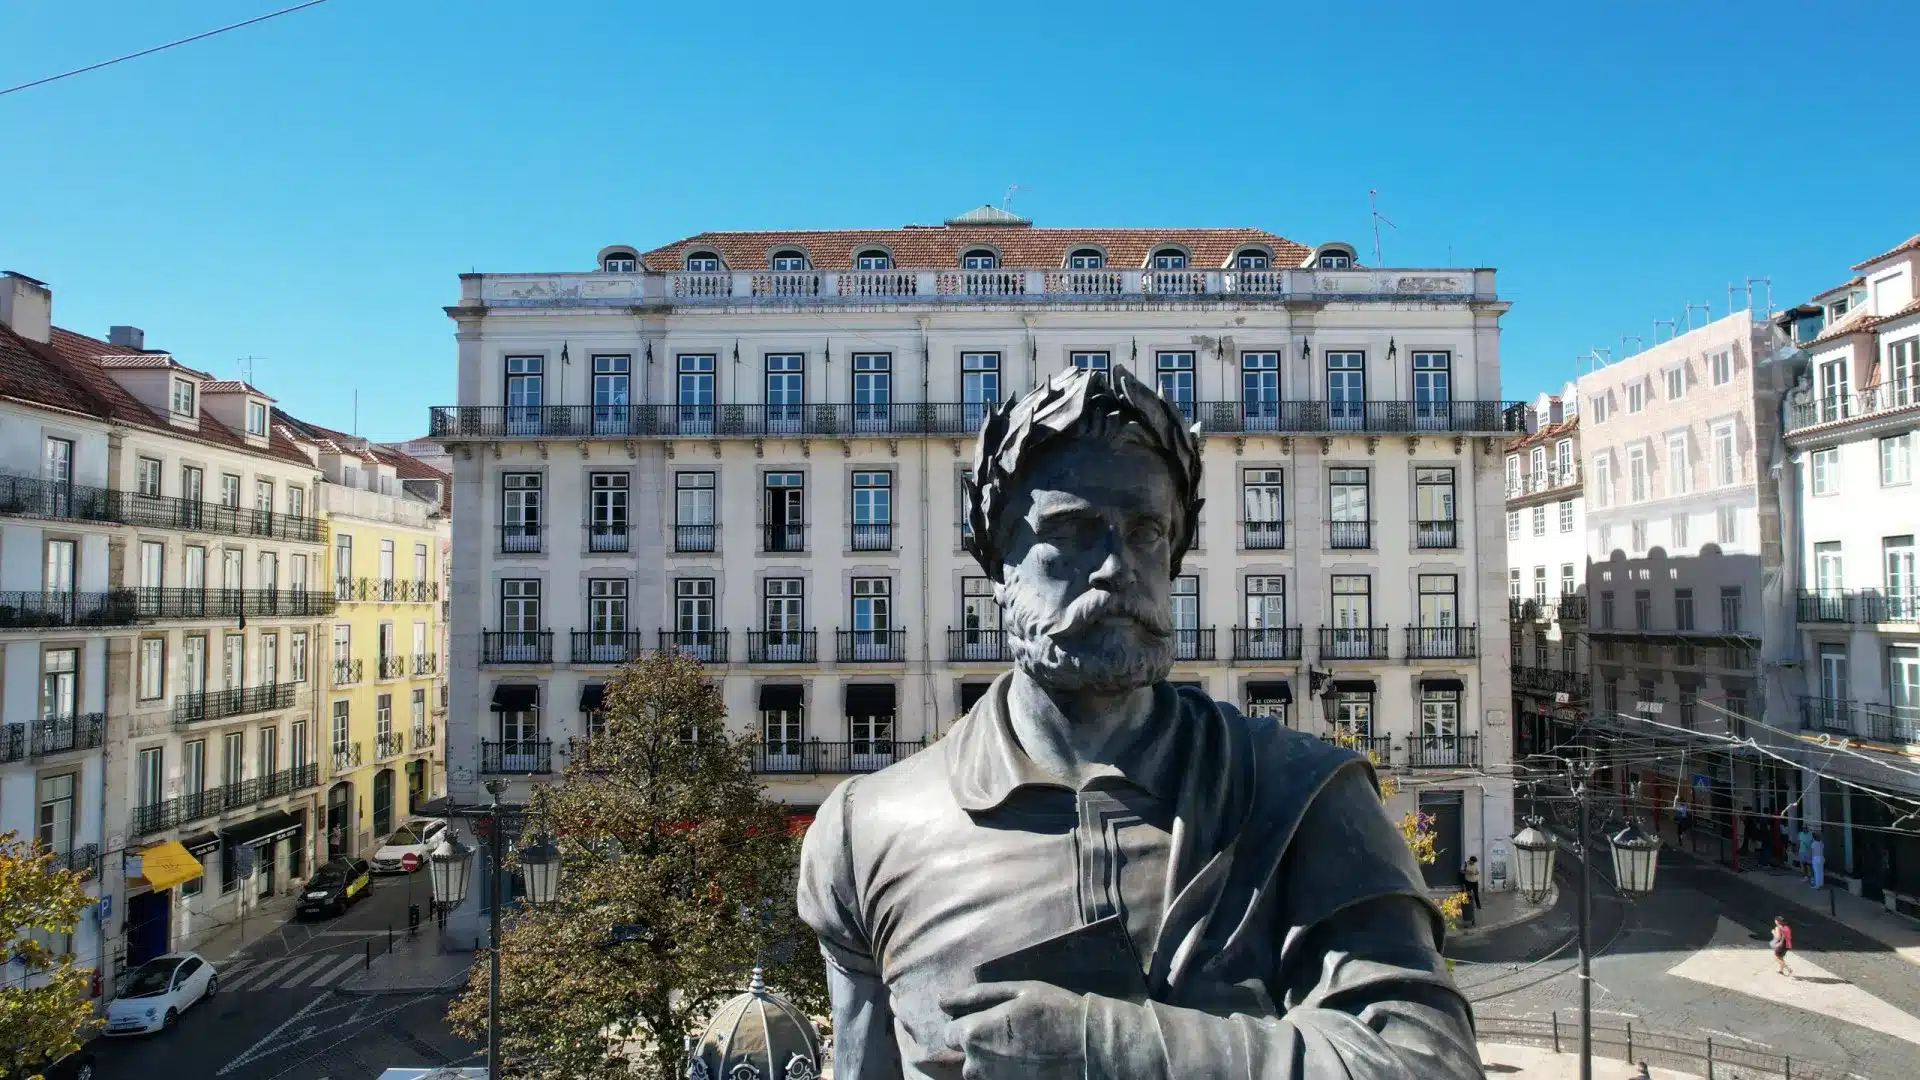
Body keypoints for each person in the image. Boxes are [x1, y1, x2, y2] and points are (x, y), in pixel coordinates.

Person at [798, 365, 1482, 1079]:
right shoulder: (864, 833)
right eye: (1072, 529)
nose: (1116, 566)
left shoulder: (1305, 796)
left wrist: (1103, 1044)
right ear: (995, 563)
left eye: (1145, 531)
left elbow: (1425, 1064)